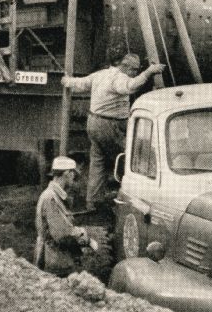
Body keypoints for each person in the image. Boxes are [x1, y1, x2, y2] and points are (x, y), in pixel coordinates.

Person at [61, 53, 165, 210]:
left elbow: (81, 83)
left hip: (93, 123)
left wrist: (67, 81)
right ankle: (131, 199)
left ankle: (92, 202)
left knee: (98, 161)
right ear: (126, 68)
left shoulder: (101, 74)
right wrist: (149, 72)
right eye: (134, 70)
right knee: (134, 157)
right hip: (110, 125)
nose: (135, 74)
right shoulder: (119, 78)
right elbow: (130, 86)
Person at [34, 156, 93, 276]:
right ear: (67, 173)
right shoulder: (51, 198)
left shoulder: (54, 196)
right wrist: (86, 237)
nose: (74, 178)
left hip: (55, 258)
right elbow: (62, 234)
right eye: (73, 174)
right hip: (55, 262)